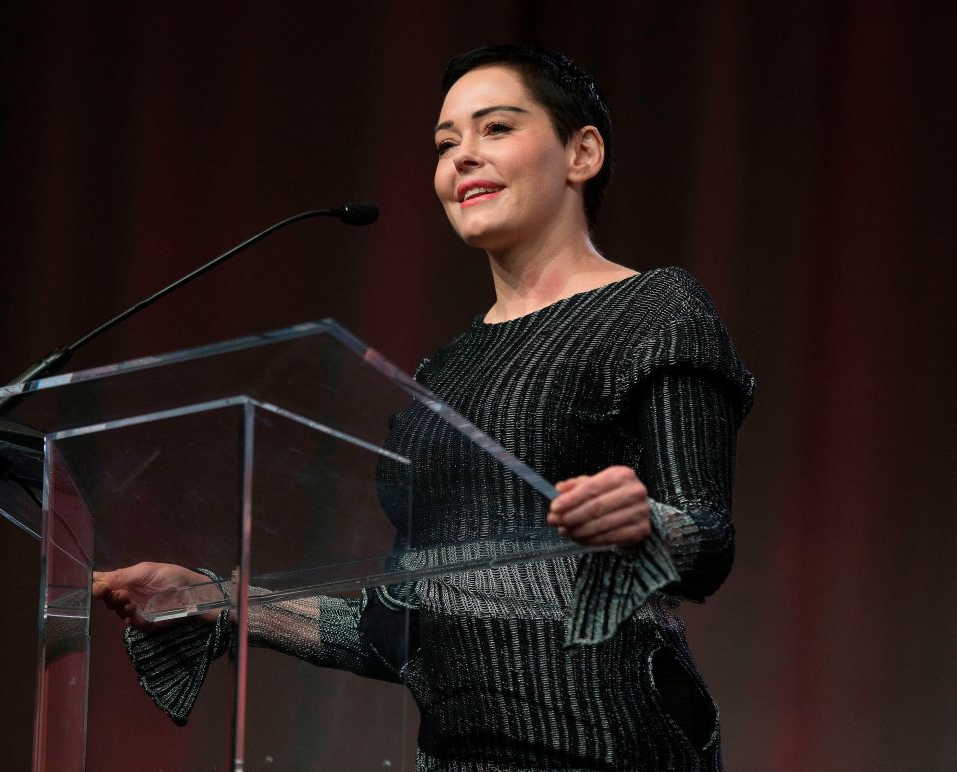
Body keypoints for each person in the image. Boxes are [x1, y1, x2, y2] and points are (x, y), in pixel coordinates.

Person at [94, 44, 753, 771]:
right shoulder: (441, 375)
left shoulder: (656, 307)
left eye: (496, 129)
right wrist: (217, 601)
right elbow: (398, 627)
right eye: (446, 144)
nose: (462, 157)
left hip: (607, 743)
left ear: (582, 153)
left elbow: (707, 538)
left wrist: (650, 521)